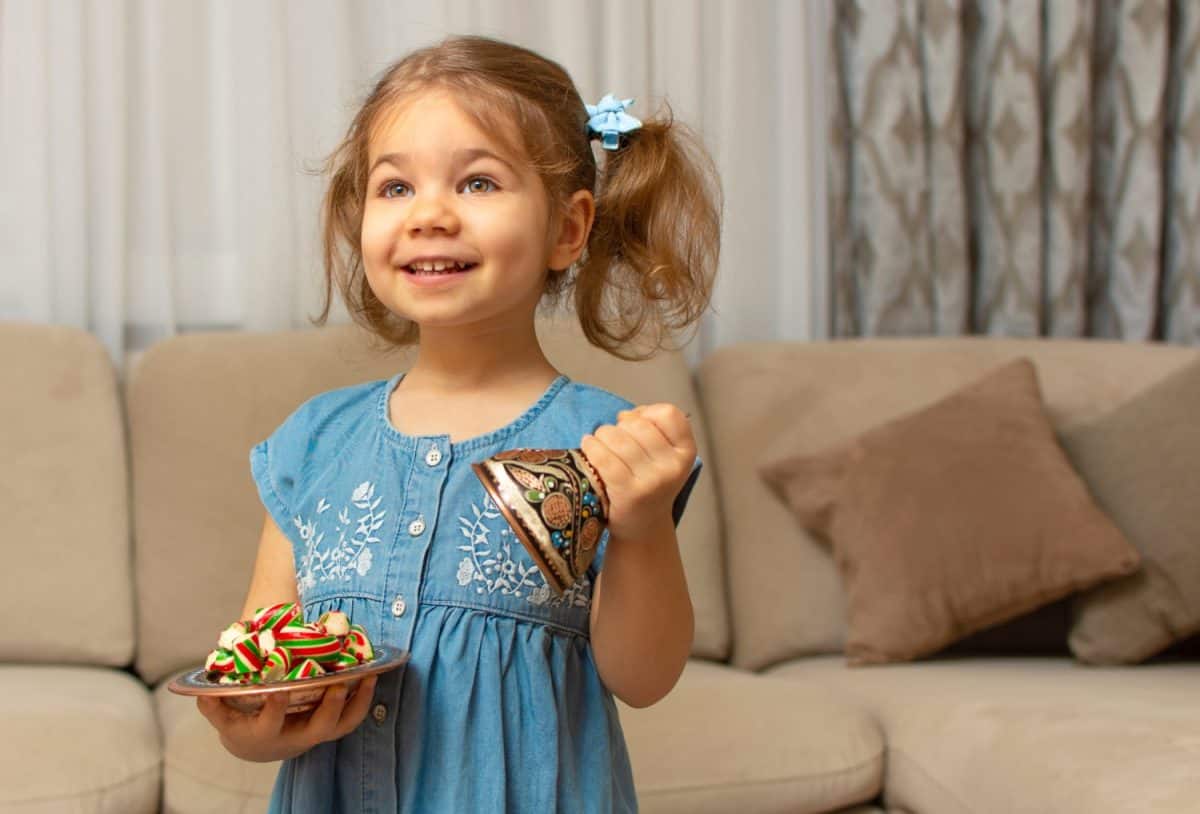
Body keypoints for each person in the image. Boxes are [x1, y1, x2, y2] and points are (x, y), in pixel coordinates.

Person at [196, 33, 721, 813]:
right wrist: (252, 731)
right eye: (395, 188)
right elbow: (256, 669)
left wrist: (641, 525)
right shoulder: (315, 442)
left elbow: (643, 680)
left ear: (567, 229)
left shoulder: (603, 444)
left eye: (477, 183)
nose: (430, 215)